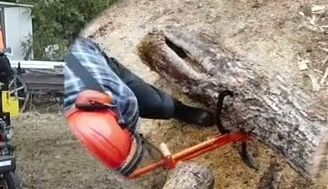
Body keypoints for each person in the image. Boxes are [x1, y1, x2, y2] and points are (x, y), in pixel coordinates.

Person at [63, 35, 221, 175]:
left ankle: (180, 110)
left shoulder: (122, 99)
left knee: (157, 104)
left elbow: (128, 125)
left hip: (84, 55)